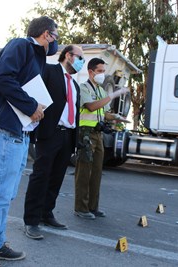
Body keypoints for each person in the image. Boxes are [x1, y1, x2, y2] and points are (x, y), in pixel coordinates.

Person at [0, 16, 59, 267]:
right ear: (45, 34)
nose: (56, 43)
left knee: (6, 196)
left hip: (18, 134)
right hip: (5, 133)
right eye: (55, 36)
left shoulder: (35, 57)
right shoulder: (20, 45)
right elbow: (3, 77)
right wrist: (32, 106)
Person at [23, 45, 84, 240]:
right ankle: (31, 221)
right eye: (80, 57)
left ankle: (46, 214)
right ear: (68, 55)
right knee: (41, 176)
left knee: (56, 177)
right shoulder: (49, 71)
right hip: (50, 134)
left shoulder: (74, 85)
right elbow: (34, 94)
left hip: (68, 136)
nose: (82, 61)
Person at [74, 58, 128, 219]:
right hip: (85, 134)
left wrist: (116, 117)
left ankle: (93, 206)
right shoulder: (83, 88)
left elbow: (103, 112)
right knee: (84, 172)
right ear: (91, 72)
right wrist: (115, 95)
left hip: (98, 134)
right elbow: (91, 106)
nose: (102, 74)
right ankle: (81, 208)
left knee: (97, 171)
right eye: (100, 71)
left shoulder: (100, 91)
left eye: (104, 71)